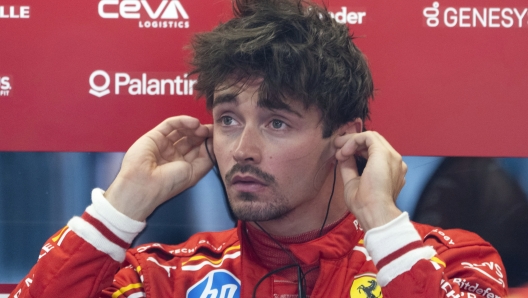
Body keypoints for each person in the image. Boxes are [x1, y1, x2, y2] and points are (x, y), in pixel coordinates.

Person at [11, 0, 508, 297]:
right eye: (228, 119)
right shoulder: (171, 275)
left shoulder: (451, 261)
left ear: (344, 137)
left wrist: (383, 221)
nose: (242, 149)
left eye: (276, 121)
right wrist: (119, 211)